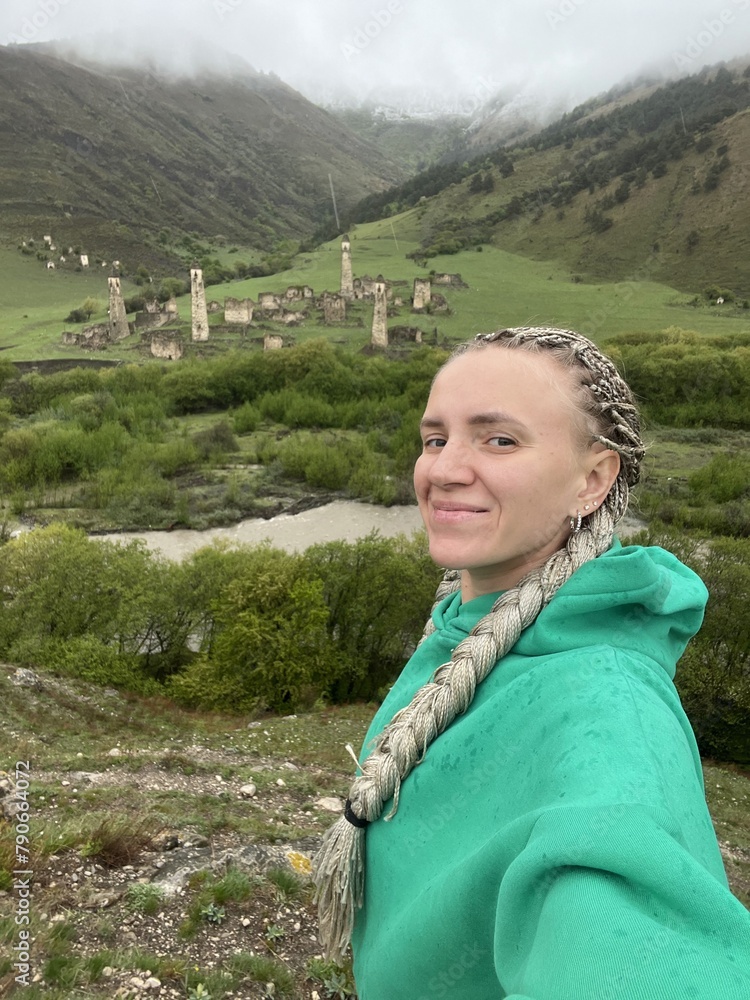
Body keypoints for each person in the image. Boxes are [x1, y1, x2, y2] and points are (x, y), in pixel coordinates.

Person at [314, 327, 750, 999]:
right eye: (436, 438)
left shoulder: (607, 710)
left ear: (594, 480)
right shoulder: (468, 626)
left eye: (499, 440)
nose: (444, 469)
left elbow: (632, 956)